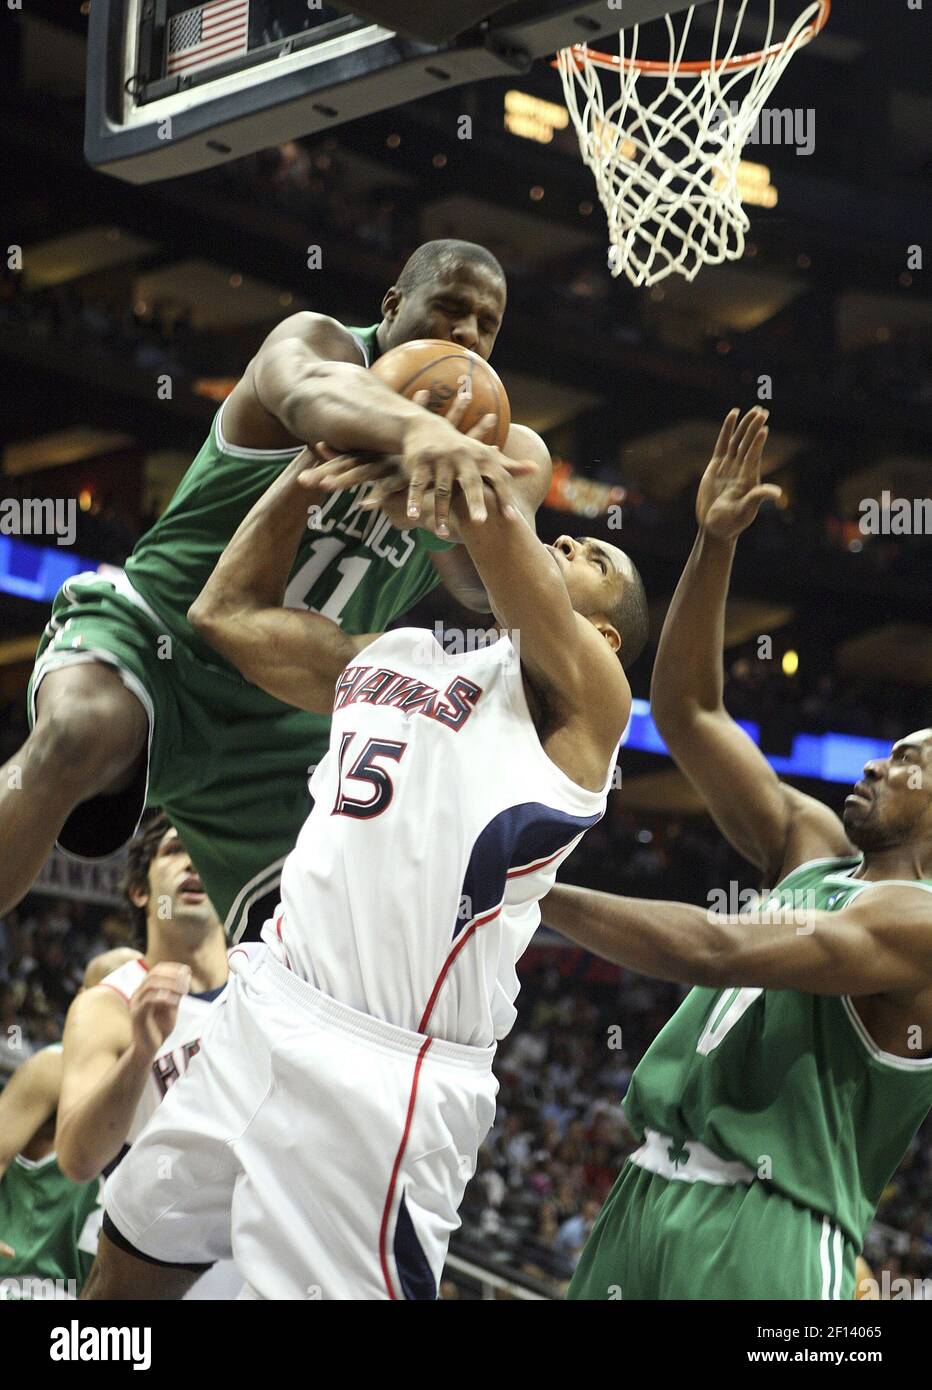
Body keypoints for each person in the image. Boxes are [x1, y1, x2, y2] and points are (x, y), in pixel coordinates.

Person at [82, 393, 647, 1300]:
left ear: (608, 639)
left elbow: (504, 534)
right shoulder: (401, 652)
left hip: (386, 1073)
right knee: (119, 1280)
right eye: (572, 539)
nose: (571, 544)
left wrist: (424, 441)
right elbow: (224, 614)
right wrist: (306, 471)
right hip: (265, 1002)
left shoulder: (588, 705)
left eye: (597, 557)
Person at [1, 239, 551, 941]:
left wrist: (463, 518)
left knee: (327, 931)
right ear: (393, 305)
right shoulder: (318, 343)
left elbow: (483, 593)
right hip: (159, 640)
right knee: (77, 733)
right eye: (449, 307)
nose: (467, 333)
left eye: (486, 323)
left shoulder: (511, 450)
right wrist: (412, 430)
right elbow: (306, 392)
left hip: (287, 711)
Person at [541, 407, 932, 1300]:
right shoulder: (814, 849)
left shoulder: (920, 921)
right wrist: (713, 544)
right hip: (645, 1194)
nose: (878, 760)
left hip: (772, 1231)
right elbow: (689, 712)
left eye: (908, 761)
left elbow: (716, 947)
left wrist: (529, 887)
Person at [56, 815, 239, 1299]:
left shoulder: (267, 990)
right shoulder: (109, 1004)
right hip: (142, 1267)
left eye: (205, 851)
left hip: (253, 1262)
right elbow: (77, 1157)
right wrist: (140, 1054)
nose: (194, 861)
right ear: (141, 892)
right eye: (176, 849)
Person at [0, 946, 139, 1298]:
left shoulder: (157, 1087)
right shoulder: (52, 1068)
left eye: (133, 992)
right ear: (82, 1000)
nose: (121, 1006)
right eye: (110, 994)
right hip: (22, 1281)